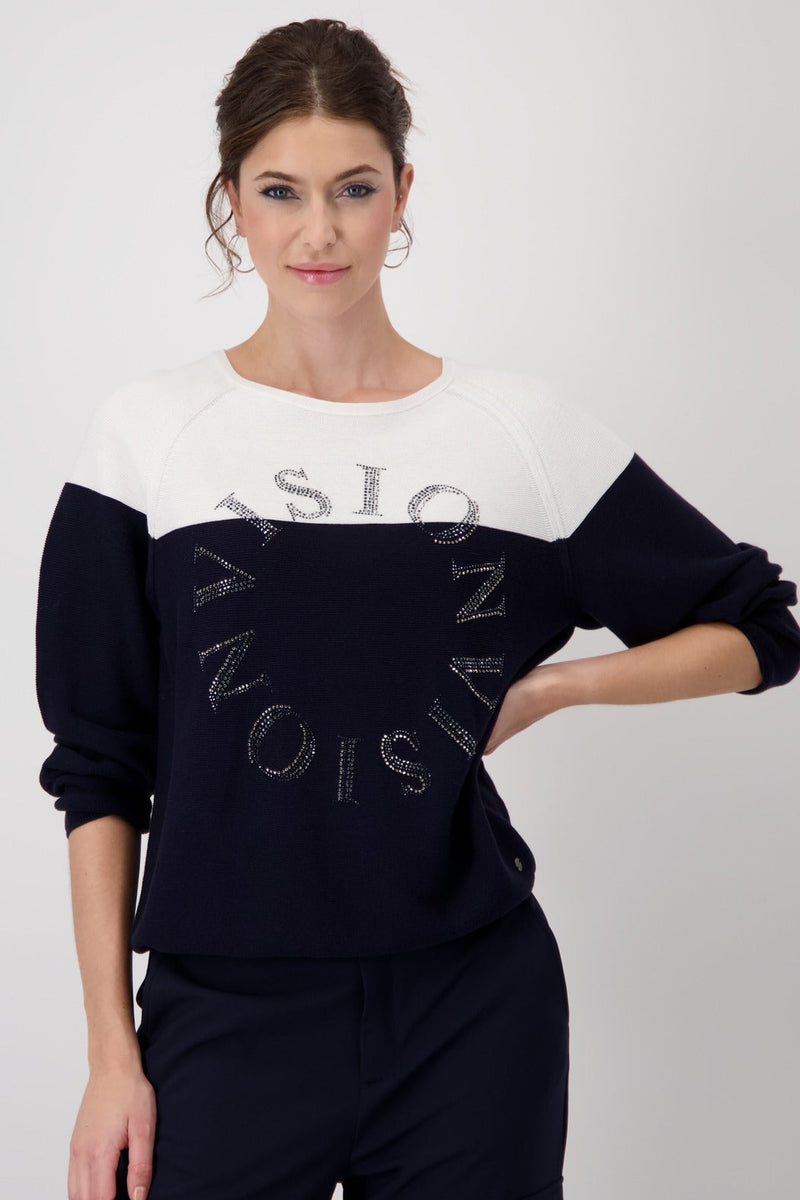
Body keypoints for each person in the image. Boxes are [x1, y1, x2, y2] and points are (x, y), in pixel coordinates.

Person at [34, 17, 800, 1200]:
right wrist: (108, 1056)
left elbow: (757, 629)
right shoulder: (148, 438)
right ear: (231, 200)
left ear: (401, 193)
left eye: (353, 188)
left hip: (470, 1012)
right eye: (280, 191)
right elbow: (98, 762)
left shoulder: (515, 435)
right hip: (225, 1015)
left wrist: (553, 689)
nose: (319, 231)